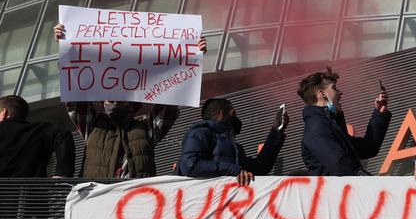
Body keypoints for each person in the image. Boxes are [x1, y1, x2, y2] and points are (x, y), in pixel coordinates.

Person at [54, 22, 204, 178]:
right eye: (109, 92)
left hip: (135, 199)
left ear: (132, 100)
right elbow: (75, 97)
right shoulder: (92, 125)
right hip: (98, 199)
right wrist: (66, 49)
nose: (114, 98)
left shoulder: (146, 127)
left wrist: (192, 56)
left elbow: (169, 103)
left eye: (121, 93)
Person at [297, 68, 390, 176]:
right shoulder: (317, 128)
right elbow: (340, 165)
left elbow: (368, 148)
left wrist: (379, 114)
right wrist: (371, 181)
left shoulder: (329, 126)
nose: (340, 92)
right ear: (322, 94)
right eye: (334, 88)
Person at [178, 97, 288, 185]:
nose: (237, 119)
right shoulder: (199, 133)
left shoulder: (235, 150)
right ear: (222, 114)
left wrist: (276, 131)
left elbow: (260, 167)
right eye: (234, 114)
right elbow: (190, 166)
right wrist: (233, 170)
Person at [0, 95, 74, 178]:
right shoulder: (40, 131)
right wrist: (62, 174)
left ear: (4, 112)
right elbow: (63, 135)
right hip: (32, 189)